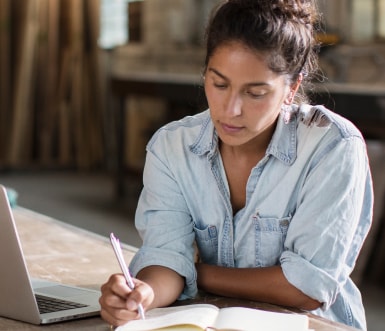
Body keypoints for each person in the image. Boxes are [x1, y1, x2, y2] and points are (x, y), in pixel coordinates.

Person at [99, 0, 373, 330]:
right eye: (219, 84)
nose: (231, 110)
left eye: (255, 93)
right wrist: (144, 293)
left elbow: (306, 288)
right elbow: (166, 256)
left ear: (292, 88)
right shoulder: (172, 147)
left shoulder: (333, 147)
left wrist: (192, 272)